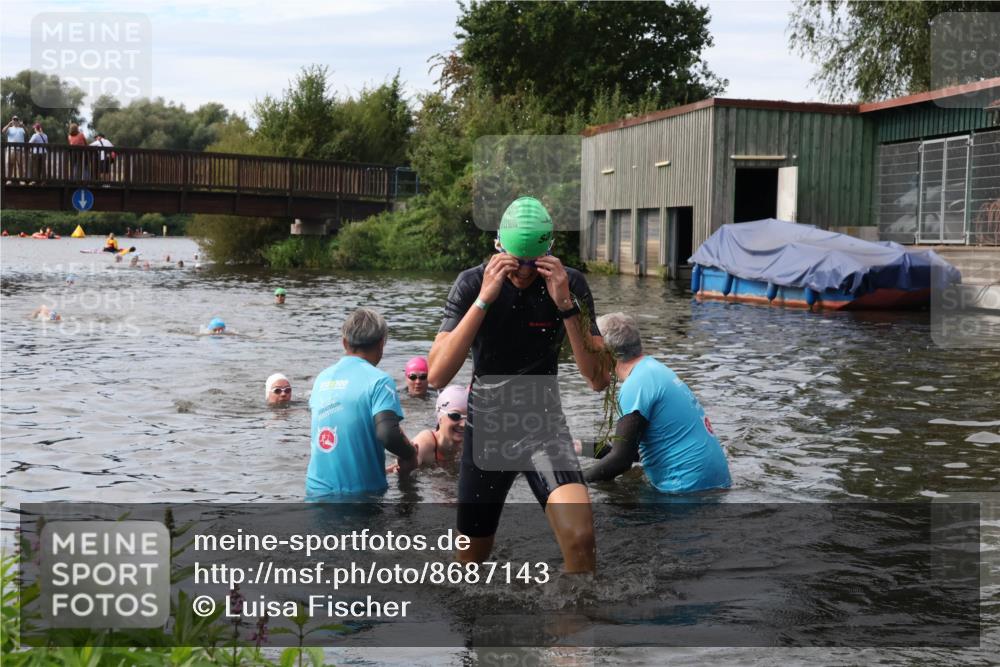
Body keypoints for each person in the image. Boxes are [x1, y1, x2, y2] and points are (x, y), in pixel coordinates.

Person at [427, 196, 610, 574]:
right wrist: (483, 301)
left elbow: (598, 379)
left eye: (532, 263)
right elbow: (437, 376)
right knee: (469, 565)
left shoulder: (569, 284)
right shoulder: (471, 283)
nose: (523, 273)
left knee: (581, 539)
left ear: (549, 252)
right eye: (514, 261)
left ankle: (571, 628)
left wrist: (567, 307)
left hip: (543, 426)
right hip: (487, 431)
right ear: (498, 248)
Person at [583, 313, 731, 493]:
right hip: (716, 483)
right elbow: (634, 451)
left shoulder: (635, 385)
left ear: (607, 352)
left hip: (684, 491)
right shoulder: (654, 369)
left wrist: (574, 482)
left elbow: (621, 460)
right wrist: (580, 447)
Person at [305, 308, 418, 498]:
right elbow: (388, 433)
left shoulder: (321, 379)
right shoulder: (380, 381)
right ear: (381, 344)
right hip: (361, 494)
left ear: (344, 342)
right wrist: (409, 454)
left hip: (316, 491)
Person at [411, 384, 468, 468]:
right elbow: (396, 470)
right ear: (440, 418)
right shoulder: (425, 443)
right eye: (455, 416)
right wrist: (407, 465)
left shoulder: (472, 442)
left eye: (470, 417)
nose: (464, 424)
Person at [3, 115, 26, 181]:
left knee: (20, 165)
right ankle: (9, 179)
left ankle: (21, 180)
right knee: (10, 165)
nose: (15, 121)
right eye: (14, 119)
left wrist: (23, 125)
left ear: (18, 120)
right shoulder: (9, 128)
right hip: (11, 149)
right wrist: (8, 124)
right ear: (12, 120)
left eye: (16, 119)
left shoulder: (21, 129)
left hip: (20, 150)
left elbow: (27, 133)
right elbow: (3, 131)